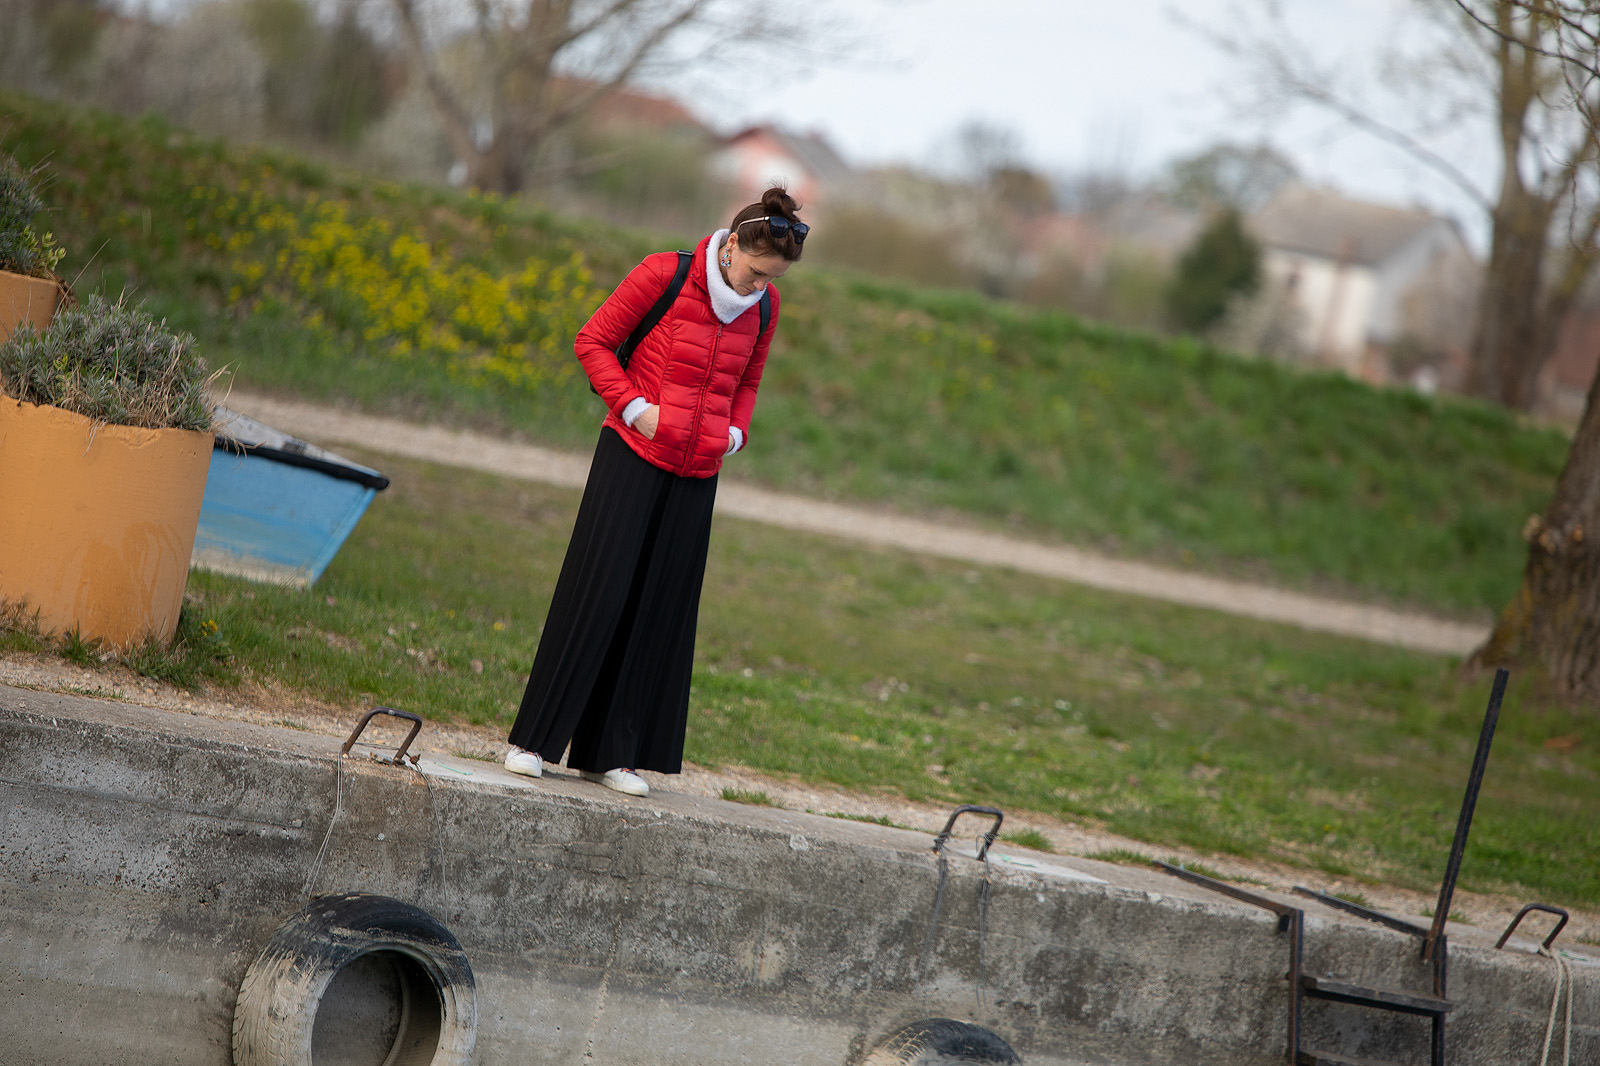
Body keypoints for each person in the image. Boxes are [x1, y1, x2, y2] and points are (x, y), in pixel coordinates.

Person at [502, 187, 808, 797]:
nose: (756, 290)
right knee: (599, 593)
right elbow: (591, 342)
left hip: (697, 474)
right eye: (752, 275)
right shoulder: (664, 273)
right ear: (732, 247)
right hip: (631, 454)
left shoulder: (765, 307)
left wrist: (736, 435)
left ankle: (612, 754)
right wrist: (633, 406)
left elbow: (747, 382)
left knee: (658, 609)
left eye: (768, 282)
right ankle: (532, 741)